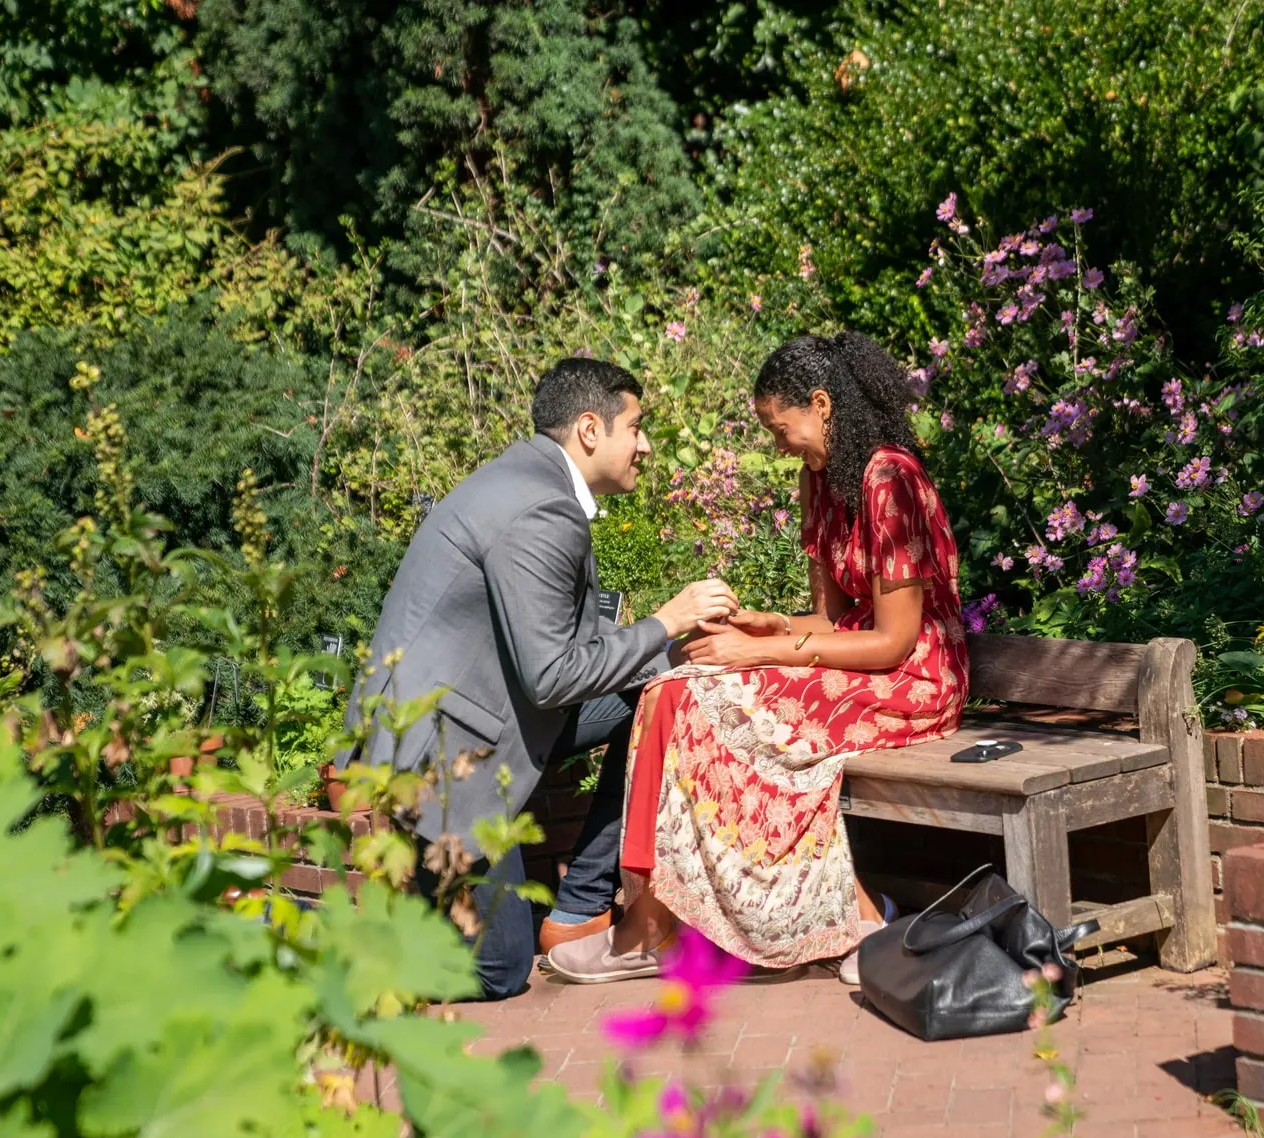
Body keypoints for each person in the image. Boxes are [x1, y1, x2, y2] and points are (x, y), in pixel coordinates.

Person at [547, 332, 968, 986]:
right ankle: (650, 924)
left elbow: (893, 642)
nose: (779, 445)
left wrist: (764, 649)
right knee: (671, 686)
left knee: (703, 702)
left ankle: (838, 919)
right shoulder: (820, 479)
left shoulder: (892, 481)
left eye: (781, 428)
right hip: (859, 661)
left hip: (915, 678)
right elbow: (828, 623)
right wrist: (769, 625)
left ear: (822, 405)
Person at [338, 357, 739, 999]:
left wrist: (679, 654)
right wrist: (667, 622)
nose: (645, 444)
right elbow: (553, 676)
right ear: (589, 429)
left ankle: (579, 909)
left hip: (457, 719)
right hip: (445, 751)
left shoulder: (529, 482)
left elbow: (569, 650)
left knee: (658, 690)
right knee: (499, 970)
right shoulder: (542, 510)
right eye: (635, 426)